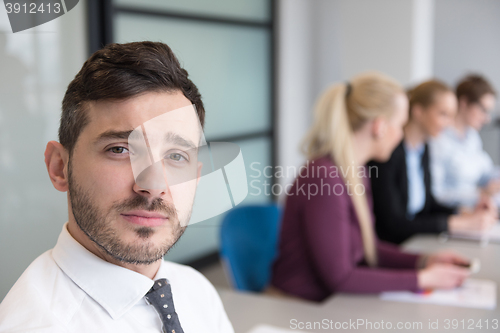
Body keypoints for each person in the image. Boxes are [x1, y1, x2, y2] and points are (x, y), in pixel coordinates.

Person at [0, 42, 234, 333]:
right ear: (59, 167)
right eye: (120, 150)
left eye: (176, 156)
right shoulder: (38, 324)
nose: (154, 185)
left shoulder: (196, 291)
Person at [270, 72, 471, 303]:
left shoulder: (357, 171)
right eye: (400, 125)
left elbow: (368, 249)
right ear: (379, 126)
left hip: (333, 304)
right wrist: (422, 278)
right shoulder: (323, 177)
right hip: (300, 308)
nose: (401, 134)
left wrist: (424, 261)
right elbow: (340, 278)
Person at [369, 80, 497, 245]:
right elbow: (392, 224)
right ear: (418, 111)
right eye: (443, 114)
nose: (450, 123)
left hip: (416, 240)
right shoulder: (388, 154)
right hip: (396, 245)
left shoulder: (423, 148)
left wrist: (463, 212)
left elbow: (427, 204)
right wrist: (457, 223)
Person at [430, 74, 498, 208]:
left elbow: (487, 171)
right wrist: (480, 193)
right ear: (464, 103)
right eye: (483, 110)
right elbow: (437, 194)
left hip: (473, 212)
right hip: (451, 214)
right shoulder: (439, 139)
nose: (487, 119)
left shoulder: (472, 137)